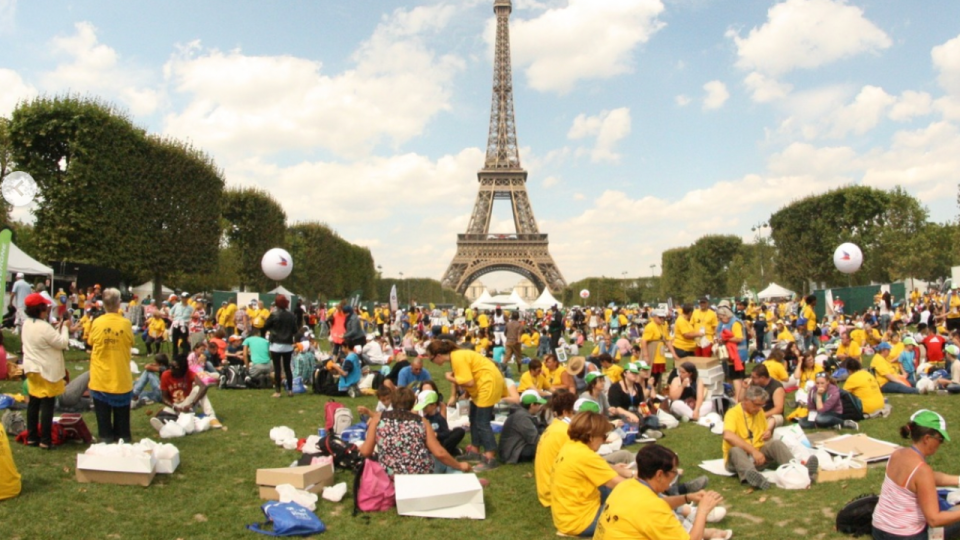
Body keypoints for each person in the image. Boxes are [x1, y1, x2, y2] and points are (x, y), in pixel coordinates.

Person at [593, 444, 727, 540]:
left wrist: (687, 497)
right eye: (674, 472)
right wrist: (702, 511)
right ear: (659, 475)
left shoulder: (626, 485)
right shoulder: (653, 508)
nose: (675, 476)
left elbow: (658, 503)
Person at [872, 410, 960, 540]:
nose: (941, 444)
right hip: (904, 536)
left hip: (879, 530)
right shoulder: (922, 470)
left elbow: (922, 479)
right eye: (940, 439)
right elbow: (934, 520)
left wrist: (958, 480)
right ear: (927, 439)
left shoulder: (898, 454)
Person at [427, 339, 506, 472]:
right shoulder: (456, 356)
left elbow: (468, 382)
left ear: (438, 355)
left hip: (487, 385)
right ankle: (474, 451)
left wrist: (450, 378)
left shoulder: (457, 357)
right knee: (473, 418)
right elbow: (471, 375)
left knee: (482, 422)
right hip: (482, 385)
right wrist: (468, 394)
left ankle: (490, 457)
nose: (432, 362)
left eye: (431, 359)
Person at [550, 411, 634, 537]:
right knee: (634, 503)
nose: (604, 441)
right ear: (591, 437)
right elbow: (623, 486)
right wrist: (644, 481)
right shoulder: (585, 456)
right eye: (603, 437)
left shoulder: (571, 446)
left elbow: (598, 466)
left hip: (566, 517)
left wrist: (624, 471)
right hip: (583, 522)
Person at [723, 385, 816, 490]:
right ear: (746, 400)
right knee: (735, 450)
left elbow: (763, 433)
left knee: (776, 443)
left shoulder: (759, 412)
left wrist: (767, 434)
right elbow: (728, 435)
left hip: (758, 457)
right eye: (757, 405)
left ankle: (798, 470)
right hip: (739, 460)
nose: (759, 409)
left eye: (762, 405)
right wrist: (753, 451)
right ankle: (754, 478)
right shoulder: (732, 413)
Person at [359, 387, 469, 475]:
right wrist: (459, 465)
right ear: (413, 404)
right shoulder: (422, 422)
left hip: (389, 475)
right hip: (419, 474)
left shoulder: (378, 419)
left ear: (392, 402)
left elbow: (366, 451)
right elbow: (439, 453)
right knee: (448, 465)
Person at [21, 292, 70, 449]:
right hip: (46, 370)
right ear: (40, 309)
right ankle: (45, 439)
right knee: (48, 404)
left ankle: (32, 437)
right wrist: (65, 328)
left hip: (32, 368)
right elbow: (62, 343)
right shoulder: (43, 327)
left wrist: (56, 328)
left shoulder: (27, 324)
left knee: (34, 403)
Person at [88, 288, 135, 444]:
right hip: (120, 377)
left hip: (101, 377)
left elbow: (90, 342)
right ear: (118, 303)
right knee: (123, 429)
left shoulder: (97, 322)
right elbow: (131, 342)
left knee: (104, 425)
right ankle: (122, 439)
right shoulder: (125, 323)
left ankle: (106, 439)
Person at [150, 354, 222, 431]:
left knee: (198, 389)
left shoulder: (188, 373)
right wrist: (174, 407)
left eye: (174, 367)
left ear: (182, 369)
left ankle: (211, 417)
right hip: (174, 406)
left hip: (187, 405)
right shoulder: (165, 375)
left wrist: (192, 404)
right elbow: (164, 398)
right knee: (162, 414)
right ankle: (167, 424)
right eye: (170, 366)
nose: (171, 369)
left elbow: (203, 387)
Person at [263, 294, 298, 398]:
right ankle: (290, 390)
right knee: (287, 368)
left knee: (277, 368)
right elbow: (295, 330)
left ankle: (278, 391)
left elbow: (265, 326)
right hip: (288, 344)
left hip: (276, 344)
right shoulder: (291, 315)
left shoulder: (274, 314)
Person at [499, 390, 546, 464]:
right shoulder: (522, 417)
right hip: (512, 453)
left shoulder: (521, 413)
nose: (540, 406)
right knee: (544, 445)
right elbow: (534, 439)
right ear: (532, 405)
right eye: (539, 404)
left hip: (511, 449)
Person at [414, 388, 463, 456]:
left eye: (425, 407)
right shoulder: (423, 419)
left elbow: (446, 433)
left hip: (441, 443)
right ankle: (450, 451)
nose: (423, 409)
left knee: (459, 431)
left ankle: (447, 451)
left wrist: (437, 435)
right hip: (429, 446)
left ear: (434, 405)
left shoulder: (439, 418)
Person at [717, 306, 748, 400]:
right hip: (732, 354)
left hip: (737, 354)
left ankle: (738, 397)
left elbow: (739, 338)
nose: (721, 320)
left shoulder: (735, 323)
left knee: (736, 377)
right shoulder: (726, 323)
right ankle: (739, 395)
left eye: (721, 318)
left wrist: (725, 339)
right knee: (735, 376)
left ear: (726, 315)